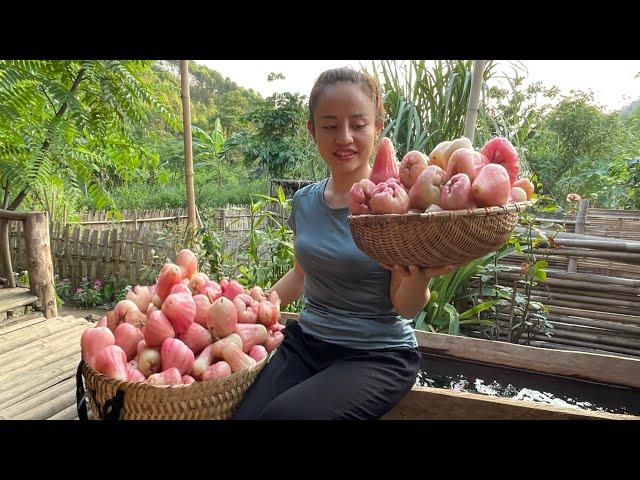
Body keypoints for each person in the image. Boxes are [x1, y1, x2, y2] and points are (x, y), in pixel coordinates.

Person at [233, 67, 456, 420]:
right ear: (313, 131)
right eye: (330, 125)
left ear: (378, 127)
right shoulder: (305, 202)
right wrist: (248, 305)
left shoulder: (397, 208)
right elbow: (301, 275)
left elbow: (407, 307)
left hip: (376, 355)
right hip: (307, 344)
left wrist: (420, 276)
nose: (345, 137)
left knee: (284, 417)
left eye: (358, 124)